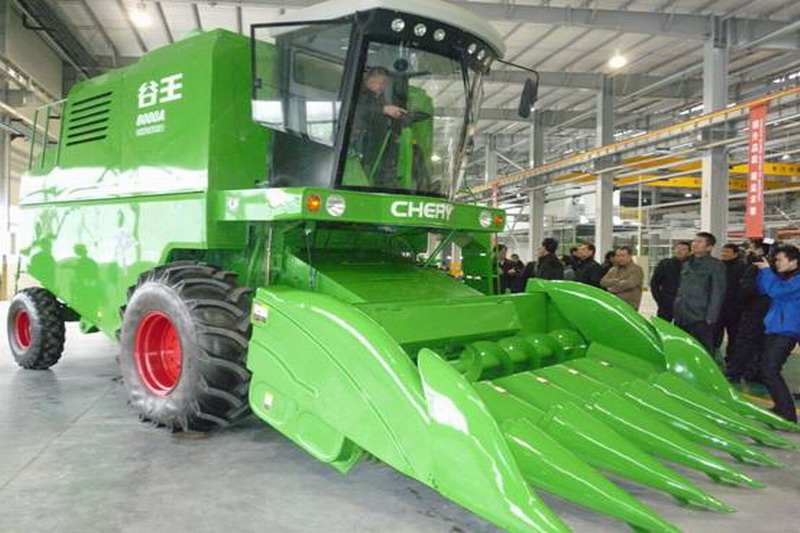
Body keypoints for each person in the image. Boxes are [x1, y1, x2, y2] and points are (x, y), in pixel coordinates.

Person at [754, 245, 800, 423]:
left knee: (769, 370)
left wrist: (767, 272)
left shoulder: (797, 280)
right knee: (768, 370)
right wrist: (763, 271)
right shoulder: (784, 278)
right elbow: (763, 289)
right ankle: (782, 408)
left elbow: (777, 291)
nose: (777, 263)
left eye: (780, 260)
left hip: (786, 331)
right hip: (776, 328)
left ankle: (787, 413)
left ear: (793, 262)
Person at [352, 67, 407, 187]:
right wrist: (384, 109)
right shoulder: (357, 94)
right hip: (359, 147)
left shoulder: (377, 98)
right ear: (370, 80)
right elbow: (359, 110)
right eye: (381, 83)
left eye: (385, 84)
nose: (383, 87)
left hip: (374, 148)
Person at [672, 232, 726, 355]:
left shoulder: (715, 265)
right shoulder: (687, 263)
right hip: (681, 314)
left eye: (699, 242)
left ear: (709, 247)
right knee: (682, 349)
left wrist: (710, 318)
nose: (694, 244)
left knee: (702, 350)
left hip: (700, 317)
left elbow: (718, 293)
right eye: (694, 241)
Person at [727, 240, 773, 383]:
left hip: (755, 310)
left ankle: (735, 372)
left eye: (751, 248)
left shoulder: (756, 267)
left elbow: (747, 289)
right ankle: (755, 373)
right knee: (762, 344)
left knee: (745, 342)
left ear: (760, 250)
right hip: (769, 312)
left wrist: (741, 303)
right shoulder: (778, 268)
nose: (748, 251)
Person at [714, 243, 746, 362]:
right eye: (723, 251)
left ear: (735, 254)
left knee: (734, 335)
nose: (724, 254)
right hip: (719, 307)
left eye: (727, 252)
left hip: (735, 309)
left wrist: (739, 303)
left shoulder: (742, 267)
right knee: (715, 334)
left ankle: (731, 359)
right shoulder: (718, 266)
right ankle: (714, 355)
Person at [649, 241, 691, 322]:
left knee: (680, 328)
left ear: (689, 252)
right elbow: (654, 283)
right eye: (677, 248)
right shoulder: (665, 264)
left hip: (685, 307)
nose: (679, 251)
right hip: (666, 304)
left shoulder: (692, 266)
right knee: (662, 326)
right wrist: (659, 300)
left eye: (683, 249)